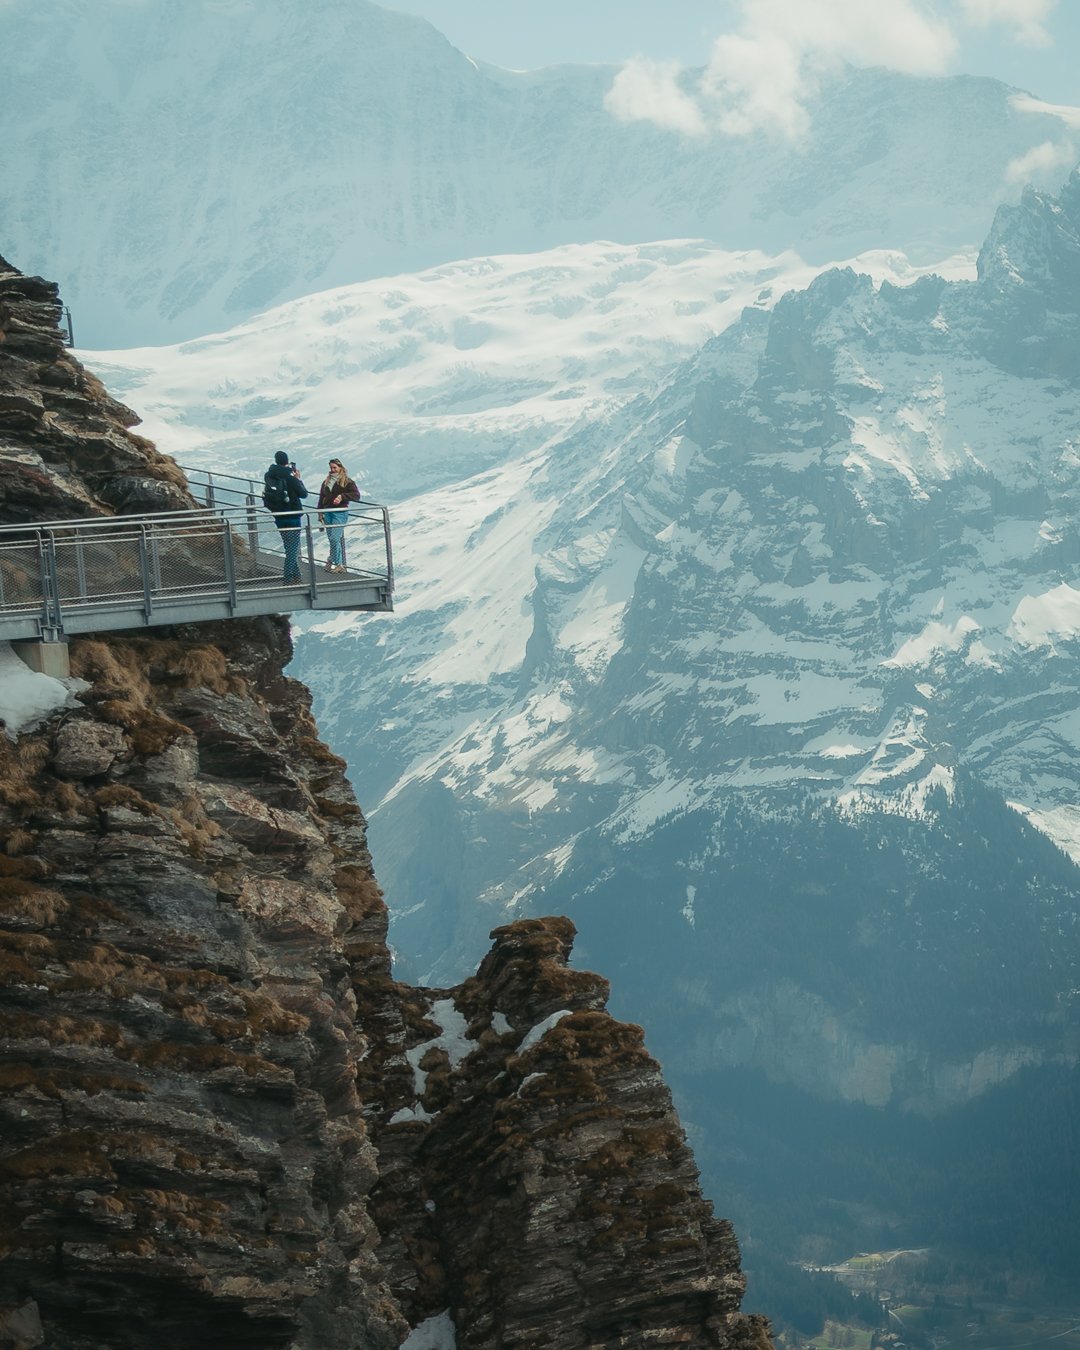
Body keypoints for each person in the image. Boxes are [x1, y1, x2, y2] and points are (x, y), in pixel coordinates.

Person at [263, 450, 308, 583]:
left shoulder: (269, 475)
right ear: (287, 462)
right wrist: (298, 479)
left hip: (279, 515)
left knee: (289, 546)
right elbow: (303, 494)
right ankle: (287, 578)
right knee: (292, 548)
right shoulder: (290, 477)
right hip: (292, 515)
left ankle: (297, 576)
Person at [317, 457, 361, 572]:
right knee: (332, 539)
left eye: (335, 467)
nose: (333, 470)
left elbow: (356, 495)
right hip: (327, 512)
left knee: (335, 538)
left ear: (340, 468)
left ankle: (336, 563)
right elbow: (322, 497)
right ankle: (336, 562)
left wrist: (342, 497)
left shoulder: (347, 481)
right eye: (331, 468)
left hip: (339, 512)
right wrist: (320, 512)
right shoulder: (327, 481)